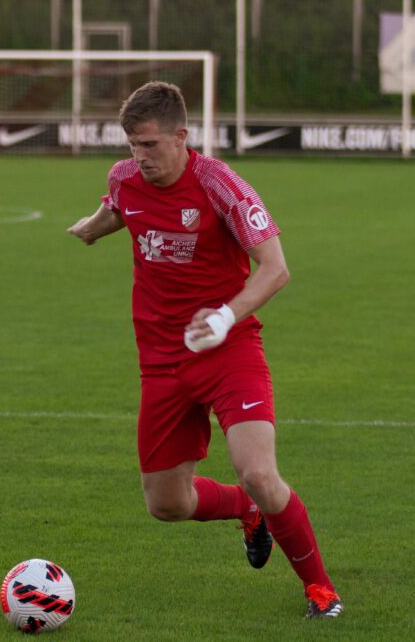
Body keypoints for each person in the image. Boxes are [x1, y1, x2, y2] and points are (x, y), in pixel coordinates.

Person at [67, 82, 342, 619]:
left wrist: (222, 317)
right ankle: (247, 512)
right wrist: (91, 229)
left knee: (259, 473)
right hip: (161, 364)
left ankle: (321, 590)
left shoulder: (221, 185)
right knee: (167, 505)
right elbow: (119, 207)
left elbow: (276, 269)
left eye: (149, 145)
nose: (138, 157)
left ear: (181, 136)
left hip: (228, 349)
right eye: (131, 145)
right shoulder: (124, 177)